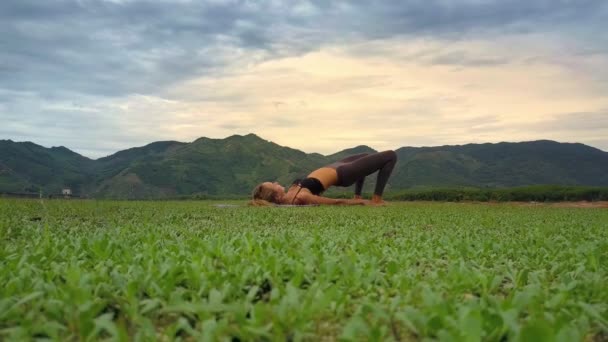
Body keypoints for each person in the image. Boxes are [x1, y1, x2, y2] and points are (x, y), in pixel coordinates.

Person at [251, 150, 397, 206]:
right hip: (343, 173)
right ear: (276, 196)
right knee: (390, 156)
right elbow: (336, 202)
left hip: (335, 166)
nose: (276, 182)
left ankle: (357, 194)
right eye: (273, 184)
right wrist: (362, 203)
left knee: (366, 155)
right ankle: (377, 199)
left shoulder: (290, 194)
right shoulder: (301, 197)